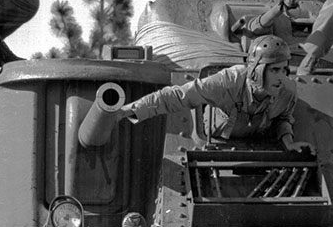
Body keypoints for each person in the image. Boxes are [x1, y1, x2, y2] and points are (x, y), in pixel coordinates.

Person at [118, 35, 314, 153]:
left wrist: (288, 141)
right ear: (256, 70)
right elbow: (178, 96)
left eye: (283, 70)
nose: (281, 77)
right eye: (274, 70)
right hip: (216, 139)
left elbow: (283, 118)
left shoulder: (287, 91)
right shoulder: (229, 81)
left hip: (252, 144)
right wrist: (129, 110)